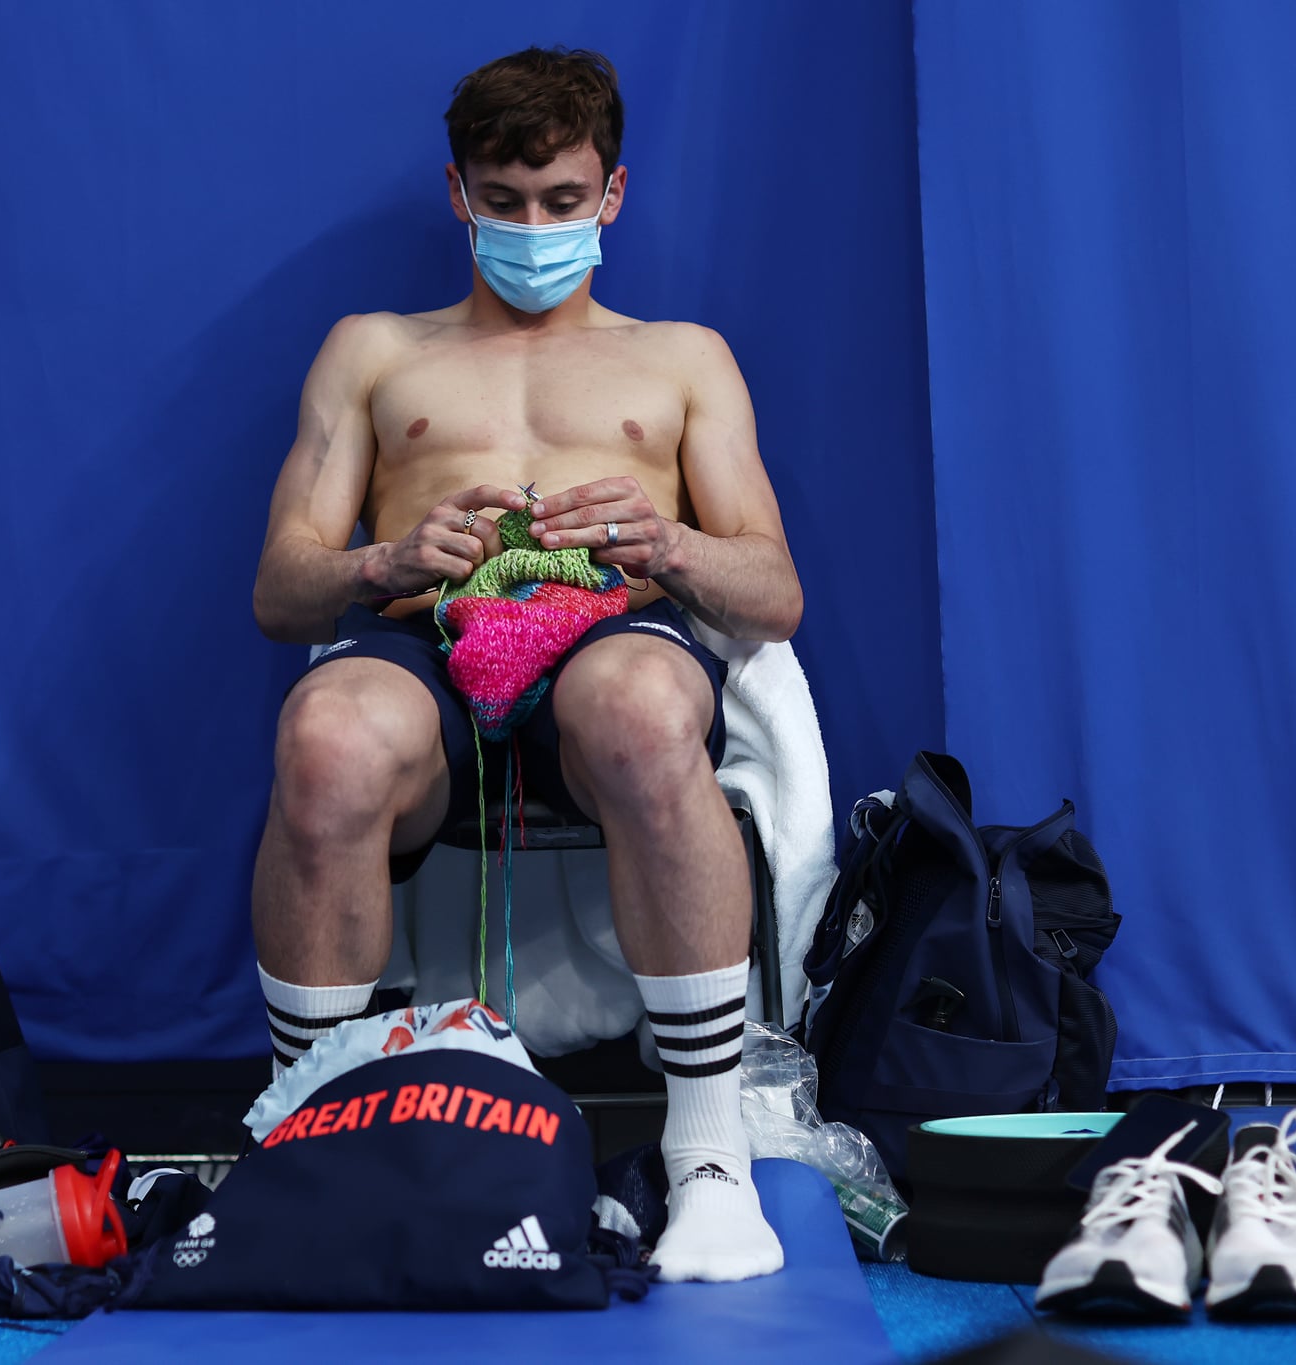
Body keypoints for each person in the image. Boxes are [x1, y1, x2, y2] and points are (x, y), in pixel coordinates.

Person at [248, 46, 803, 1284]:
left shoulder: (683, 357)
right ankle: (307, 1144)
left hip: (610, 633)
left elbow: (775, 592)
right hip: (422, 637)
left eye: (562, 202)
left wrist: (667, 541)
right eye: (504, 203)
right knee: (324, 733)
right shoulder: (374, 350)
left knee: (646, 703)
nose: (533, 228)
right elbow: (279, 594)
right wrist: (378, 562)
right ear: (458, 195)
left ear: (610, 196)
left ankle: (706, 1159)